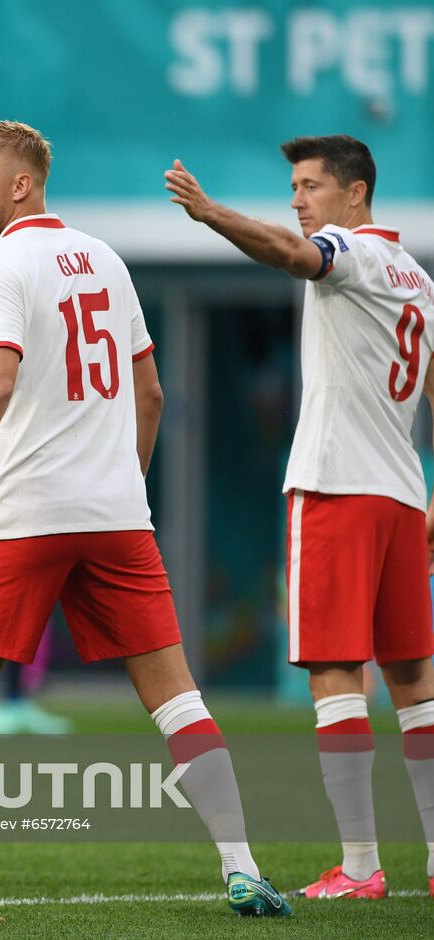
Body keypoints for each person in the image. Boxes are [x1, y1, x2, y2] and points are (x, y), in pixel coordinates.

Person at [0, 120, 289, 918]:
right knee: (177, 697)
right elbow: (149, 393)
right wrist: (122, 481)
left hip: (22, 507)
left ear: (21, 184)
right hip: (117, 511)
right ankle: (242, 863)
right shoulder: (107, 260)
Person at [166, 134, 434, 900]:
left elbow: (292, 254)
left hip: (338, 487)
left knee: (335, 672)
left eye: (311, 184)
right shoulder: (418, 279)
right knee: (415, 681)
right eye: (293, 185)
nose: (297, 199)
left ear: (356, 194)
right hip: (398, 493)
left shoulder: (345, 249)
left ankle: (358, 867)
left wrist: (212, 213)